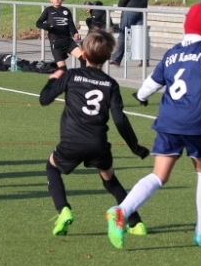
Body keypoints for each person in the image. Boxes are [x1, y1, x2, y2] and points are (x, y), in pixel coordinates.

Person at [107, 4, 201, 249]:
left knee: (159, 175)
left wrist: (141, 97)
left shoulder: (172, 53)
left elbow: (151, 83)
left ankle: (122, 210)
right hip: (196, 122)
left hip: (168, 120)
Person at [39, 30, 150, 236]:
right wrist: (136, 147)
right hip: (98, 144)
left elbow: (44, 99)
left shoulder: (70, 75)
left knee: (52, 167)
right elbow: (119, 120)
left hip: (71, 141)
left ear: (84, 54)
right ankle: (136, 223)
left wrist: (53, 79)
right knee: (110, 180)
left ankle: (63, 210)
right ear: (108, 57)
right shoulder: (111, 84)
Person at [109, 0, 148, 67]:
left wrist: (121, 5)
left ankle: (116, 59)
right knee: (140, 34)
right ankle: (144, 59)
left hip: (130, 9)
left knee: (123, 34)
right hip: (141, 9)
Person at [35, 0, 83, 70]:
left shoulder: (66, 11)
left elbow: (71, 25)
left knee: (84, 59)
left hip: (68, 41)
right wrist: (46, 26)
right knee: (63, 69)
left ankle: (83, 78)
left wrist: (75, 33)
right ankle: (63, 81)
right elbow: (38, 23)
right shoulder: (48, 10)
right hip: (56, 43)